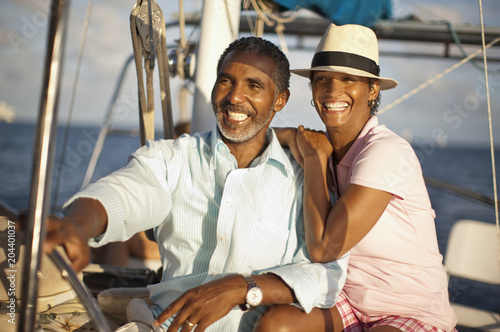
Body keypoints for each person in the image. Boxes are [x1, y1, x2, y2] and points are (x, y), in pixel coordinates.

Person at [44, 36, 348, 332]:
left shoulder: (305, 180)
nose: (235, 97)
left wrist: (243, 288)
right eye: (226, 81)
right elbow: (124, 193)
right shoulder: (174, 158)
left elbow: (328, 275)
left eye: (253, 86)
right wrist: (78, 226)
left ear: (279, 99)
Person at [273, 24, 457, 331]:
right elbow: (253, 139)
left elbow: (324, 249)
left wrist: (315, 158)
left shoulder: (386, 151)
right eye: (323, 80)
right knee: (276, 324)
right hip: (346, 297)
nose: (333, 91)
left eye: (348, 79)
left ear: (373, 90)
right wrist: (291, 136)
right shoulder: (323, 144)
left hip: (410, 308)